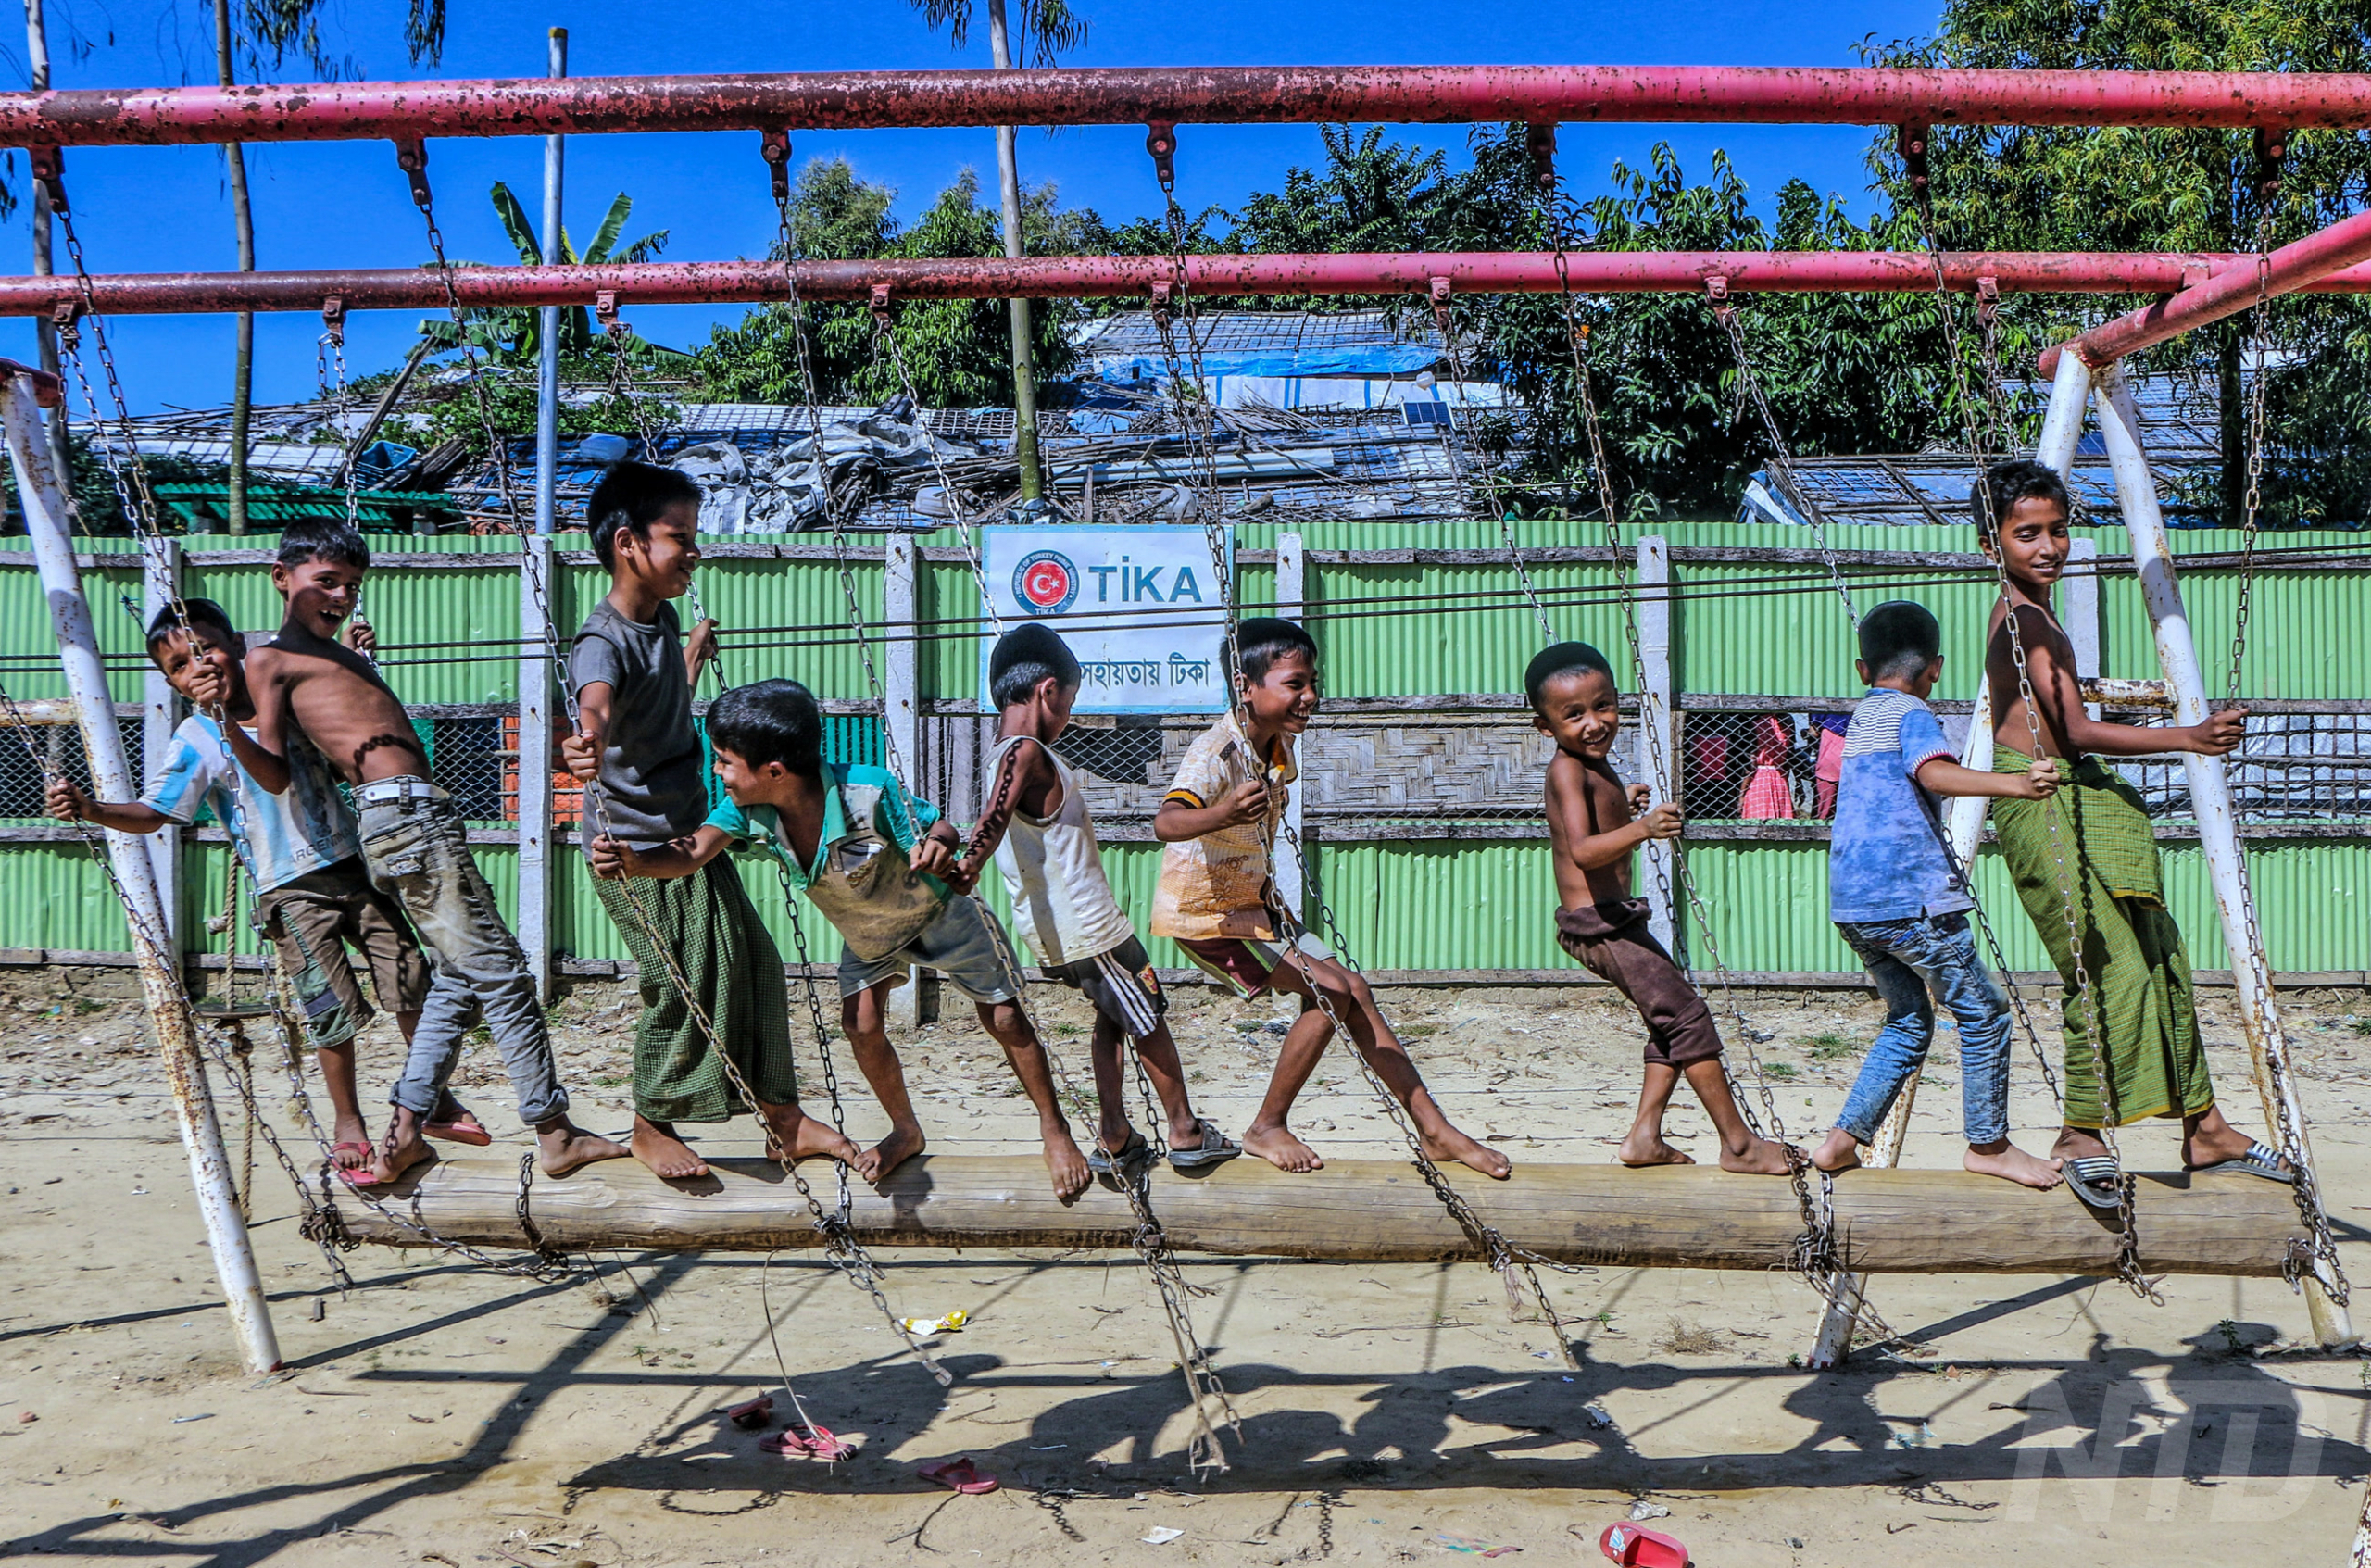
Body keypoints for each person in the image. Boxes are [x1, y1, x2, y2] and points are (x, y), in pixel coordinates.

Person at [592, 678, 1091, 1200]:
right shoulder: (748, 811)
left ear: (774, 772)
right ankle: (906, 1130)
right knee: (861, 1024)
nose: (717, 772)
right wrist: (637, 861)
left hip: (941, 913)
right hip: (869, 933)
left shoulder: (868, 792)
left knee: (1005, 1018)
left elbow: (938, 826)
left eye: (724, 761)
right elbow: (693, 852)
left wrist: (939, 848)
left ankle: (1054, 1129)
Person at [45, 596, 485, 1183]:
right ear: (173, 685)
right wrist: (92, 809)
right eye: (180, 665)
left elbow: (346, 720)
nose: (198, 666)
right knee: (328, 1009)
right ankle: (348, 1122)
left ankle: (434, 1099)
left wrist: (348, 659)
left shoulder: (289, 698)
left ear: (238, 647)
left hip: (355, 867)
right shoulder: (196, 737)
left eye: (206, 649)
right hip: (288, 890)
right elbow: (155, 812)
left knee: (409, 980)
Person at [242, 521, 625, 1185]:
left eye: (351, 585)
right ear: (281, 578)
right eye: (325, 581)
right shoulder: (269, 660)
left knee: (455, 976)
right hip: (405, 818)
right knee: (503, 973)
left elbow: (348, 717)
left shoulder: (334, 655)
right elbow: (275, 771)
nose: (341, 596)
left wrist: (355, 661)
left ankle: (404, 1133)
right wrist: (227, 723)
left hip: (415, 815)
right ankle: (555, 1130)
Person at [1976, 458, 2292, 1204]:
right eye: (2028, 534)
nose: (2048, 546)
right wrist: (2190, 737)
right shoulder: (2024, 622)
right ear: (1992, 544)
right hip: (2040, 804)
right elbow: (2076, 731)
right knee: (2105, 967)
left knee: (2161, 955)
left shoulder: (2038, 613)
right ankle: (2079, 1132)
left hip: (2072, 796)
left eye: (2057, 530)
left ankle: (2205, 1126)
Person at [1149, 617, 1506, 1179]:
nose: (1311, 695)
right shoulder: (1214, 752)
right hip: (1210, 918)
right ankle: (1267, 1126)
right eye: (1295, 683)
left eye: (1312, 681)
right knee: (1330, 990)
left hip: (1257, 909)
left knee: (1354, 988)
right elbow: (1166, 823)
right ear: (1245, 685)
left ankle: (1434, 1129)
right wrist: (1224, 813)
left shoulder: (1277, 745)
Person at [561, 462, 837, 1181]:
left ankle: (783, 1119)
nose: (695, 550)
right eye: (679, 536)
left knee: (757, 963)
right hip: (634, 848)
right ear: (627, 543)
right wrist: (585, 739)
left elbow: (657, 708)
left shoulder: (660, 619)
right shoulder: (601, 641)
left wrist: (688, 657)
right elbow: (596, 702)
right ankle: (650, 1124)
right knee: (681, 981)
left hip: (688, 835)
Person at [950, 623, 1239, 1176]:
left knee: (1115, 1015)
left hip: (1071, 927)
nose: (1069, 714)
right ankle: (1184, 1131)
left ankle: (1115, 1134)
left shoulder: (1004, 755)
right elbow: (994, 815)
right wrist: (969, 864)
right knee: (1148, 1016)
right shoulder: (1023, 752)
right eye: (1070, 701)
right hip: (1088, 927)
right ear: (1047, 691)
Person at [1808, 600, 2065, 1189]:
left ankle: (1841, 1142)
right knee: (1984, 1012)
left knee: (1908, 1022)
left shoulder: (1862, 719)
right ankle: (1989, 1146)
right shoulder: (1912, 714)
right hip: (1912, 902)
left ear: (1862, 669)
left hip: (1856, 905)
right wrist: (2016, 784)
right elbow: (1932, 773)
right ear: (1936, 668)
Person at [1527, 640, 1790, 1174]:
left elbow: (1598, 826)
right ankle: (1739, 1145)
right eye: (1574, 715)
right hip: (1598, 927)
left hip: (1617, 920)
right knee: (1687, 1017)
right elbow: (1583, 851)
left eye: (1603, 706)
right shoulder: (1567, 771)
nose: (1594, 723)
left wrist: (1623, 806)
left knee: (1668, 1020)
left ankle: (1644, 1137)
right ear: (1545, 727)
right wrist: (1642, 828)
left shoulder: (1592, 766)